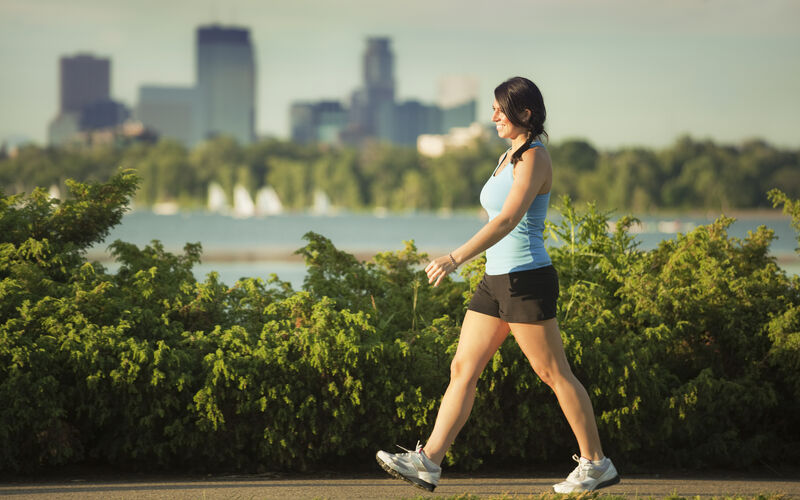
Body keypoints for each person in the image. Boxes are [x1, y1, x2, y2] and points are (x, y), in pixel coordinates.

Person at [375, 76, 620, 494]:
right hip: (495, 280)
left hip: (526, 278)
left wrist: (454, 258)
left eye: (500, 110)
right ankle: (428, 461)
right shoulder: (507, 156)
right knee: (462, 369)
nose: (493, 117)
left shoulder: (534, 157)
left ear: (525, 113)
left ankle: (597, 463)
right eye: (492, 109)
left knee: (552, 372)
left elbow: (506, 220)